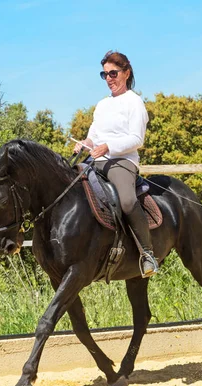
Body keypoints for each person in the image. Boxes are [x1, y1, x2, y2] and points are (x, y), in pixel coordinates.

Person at [74, 50, 159, 278]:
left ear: (126, 73)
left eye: (113, 73)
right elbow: (93, 134)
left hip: (121, 162)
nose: (109, 78)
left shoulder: (135, 102)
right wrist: (85, 143)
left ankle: (147, 254)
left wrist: (108, 146)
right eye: (104, 75)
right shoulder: (102, 104)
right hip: (96, 159)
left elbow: (136, 139)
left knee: (128, 200)